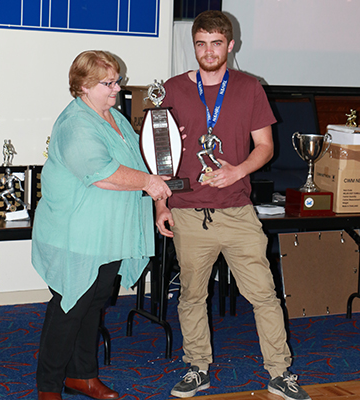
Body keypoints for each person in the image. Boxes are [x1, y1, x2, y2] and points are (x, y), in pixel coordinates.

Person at [155, 11, 311, 400]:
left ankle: (280, 373)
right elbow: (160, 157)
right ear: (194, 46)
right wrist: (160, 205)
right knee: (192, 296)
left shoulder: (249, 87)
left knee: (264, 295)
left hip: (237, 212)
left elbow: (266, 147)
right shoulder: (172, 90)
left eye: (216, 43)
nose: (208, 51)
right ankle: (197, 368)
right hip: (188, 212)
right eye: (201, 44)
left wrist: (236, 171)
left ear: (230, 45)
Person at [31, 50, 172, 400]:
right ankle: (48, 386)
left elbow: (143, 164)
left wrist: (160, 204)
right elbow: (102, 174)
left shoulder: (115, 117)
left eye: (117, 80)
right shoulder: (75, 124)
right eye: (108, 83)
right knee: (70, 308)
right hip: (75, 236)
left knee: (93, 305)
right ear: (83, 86)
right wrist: (149, 184)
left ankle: (81, 376)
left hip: (108, 236)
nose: (117, 88)